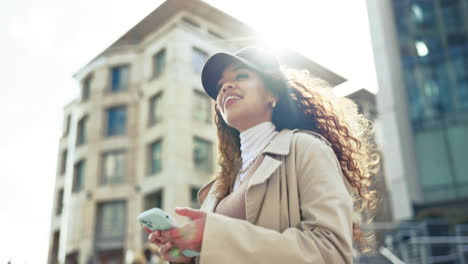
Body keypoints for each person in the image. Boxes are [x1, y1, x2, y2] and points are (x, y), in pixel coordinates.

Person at [146, 47, 378, 263]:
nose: (226, 87)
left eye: (241, 76)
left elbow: (331, 252)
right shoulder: (218, 188)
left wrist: (215, 236)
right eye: (220, 86)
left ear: (272, 94)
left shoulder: (306, 149)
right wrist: (188, 257)